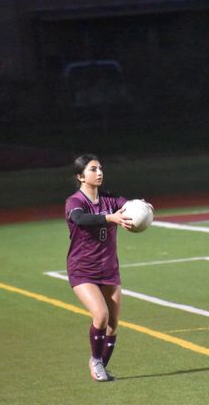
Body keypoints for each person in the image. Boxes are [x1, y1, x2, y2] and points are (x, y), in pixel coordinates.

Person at [65, 154, 133, 382]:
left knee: (113, 325)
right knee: (101, 316)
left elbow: (129, 206)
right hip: (82, 270)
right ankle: (95, 360)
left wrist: (144, 208)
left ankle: (101, 366)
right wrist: (110, 218)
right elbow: (81, 220)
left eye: (100, 168)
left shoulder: (110, 199)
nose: (99, 172)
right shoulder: (75, 201)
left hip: (109, 269)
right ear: (80, 176)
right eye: (93, 169)